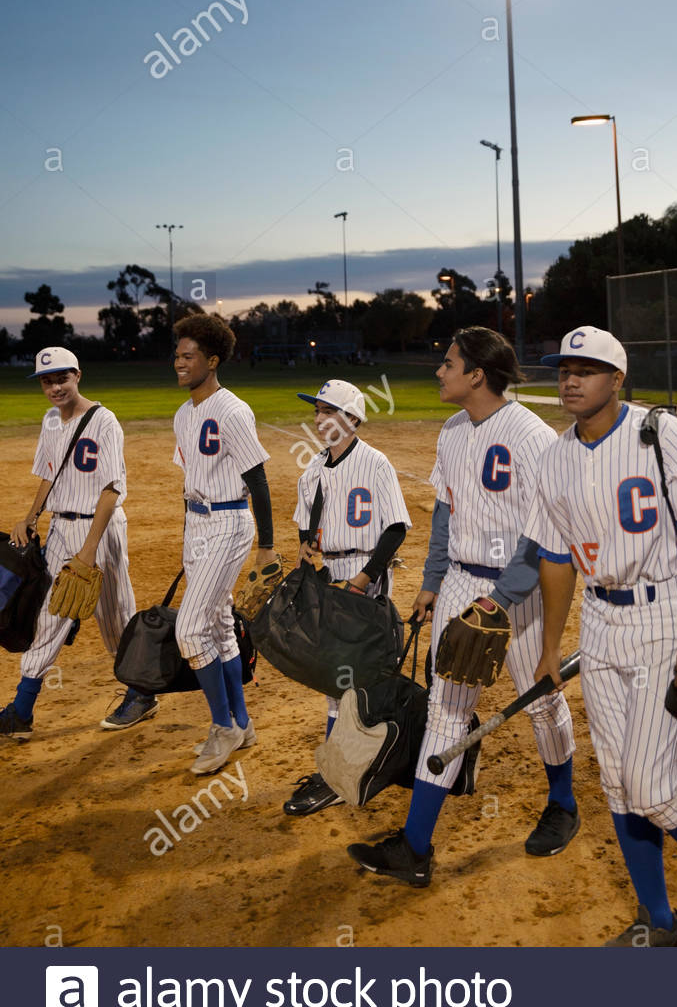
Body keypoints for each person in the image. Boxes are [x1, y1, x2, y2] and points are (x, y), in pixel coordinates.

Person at [530, 326, 677, 947]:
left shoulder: (659, 432)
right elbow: (555, 559)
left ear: (616, 379)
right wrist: (548, 647)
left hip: (662, 615)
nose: (570, 379)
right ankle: (658, 921)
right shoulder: (555, 456)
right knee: (619, 783)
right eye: (564, 368)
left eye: (587, 369)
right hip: (598, 623)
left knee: (652, 786)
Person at [347, 327, 577, 887]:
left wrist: (500, 600)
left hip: (515, 594)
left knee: (539, 702)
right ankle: (416, 848)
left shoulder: (531, 435)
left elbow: (543, 533)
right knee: (447, 710)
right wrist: (431, 581)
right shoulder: (451, 431)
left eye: (448, 363)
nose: (439, 370)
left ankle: (564, 803)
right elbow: (445, 514)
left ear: (478, 374)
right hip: (457, 583)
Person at [0, 347, 155, 739]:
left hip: (99, 532)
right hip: (59, 530)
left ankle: (141, 693)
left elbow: (110, 490)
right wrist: (31, 517)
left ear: (78, 376)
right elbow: (49, 476)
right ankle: (21, 710)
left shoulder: (105, 421)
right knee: (47, 616)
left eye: (62, 378)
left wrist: (89, 549)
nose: (55, 387)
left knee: (116, 615)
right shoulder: (51, 420)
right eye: (47, 380)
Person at [282, 378, 411, 816]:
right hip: (328, 578)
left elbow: (395, 527)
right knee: (336, 677)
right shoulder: (312, 471)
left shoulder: (376, 463)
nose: (319, 420)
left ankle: (342, 770)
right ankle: (350, 763)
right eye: (317, 411)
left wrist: (364, 577)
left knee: (356, 675)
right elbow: (305, 528)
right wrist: (308, 568)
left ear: (352, 419)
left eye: (328, 411)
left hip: (363, 576)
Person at [171, 314, 276, 775]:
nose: (179, 362)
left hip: (230, 521)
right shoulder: (182, 414)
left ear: (211, 362)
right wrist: (189, 535)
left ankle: (222, 727)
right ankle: (243, 723)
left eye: (188, 356)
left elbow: (257, 478)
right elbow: (192, 479)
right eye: (177, 355)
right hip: (197, 523)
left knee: (188, 630)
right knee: (215, 627)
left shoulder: (233, 410)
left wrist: (267, 547)